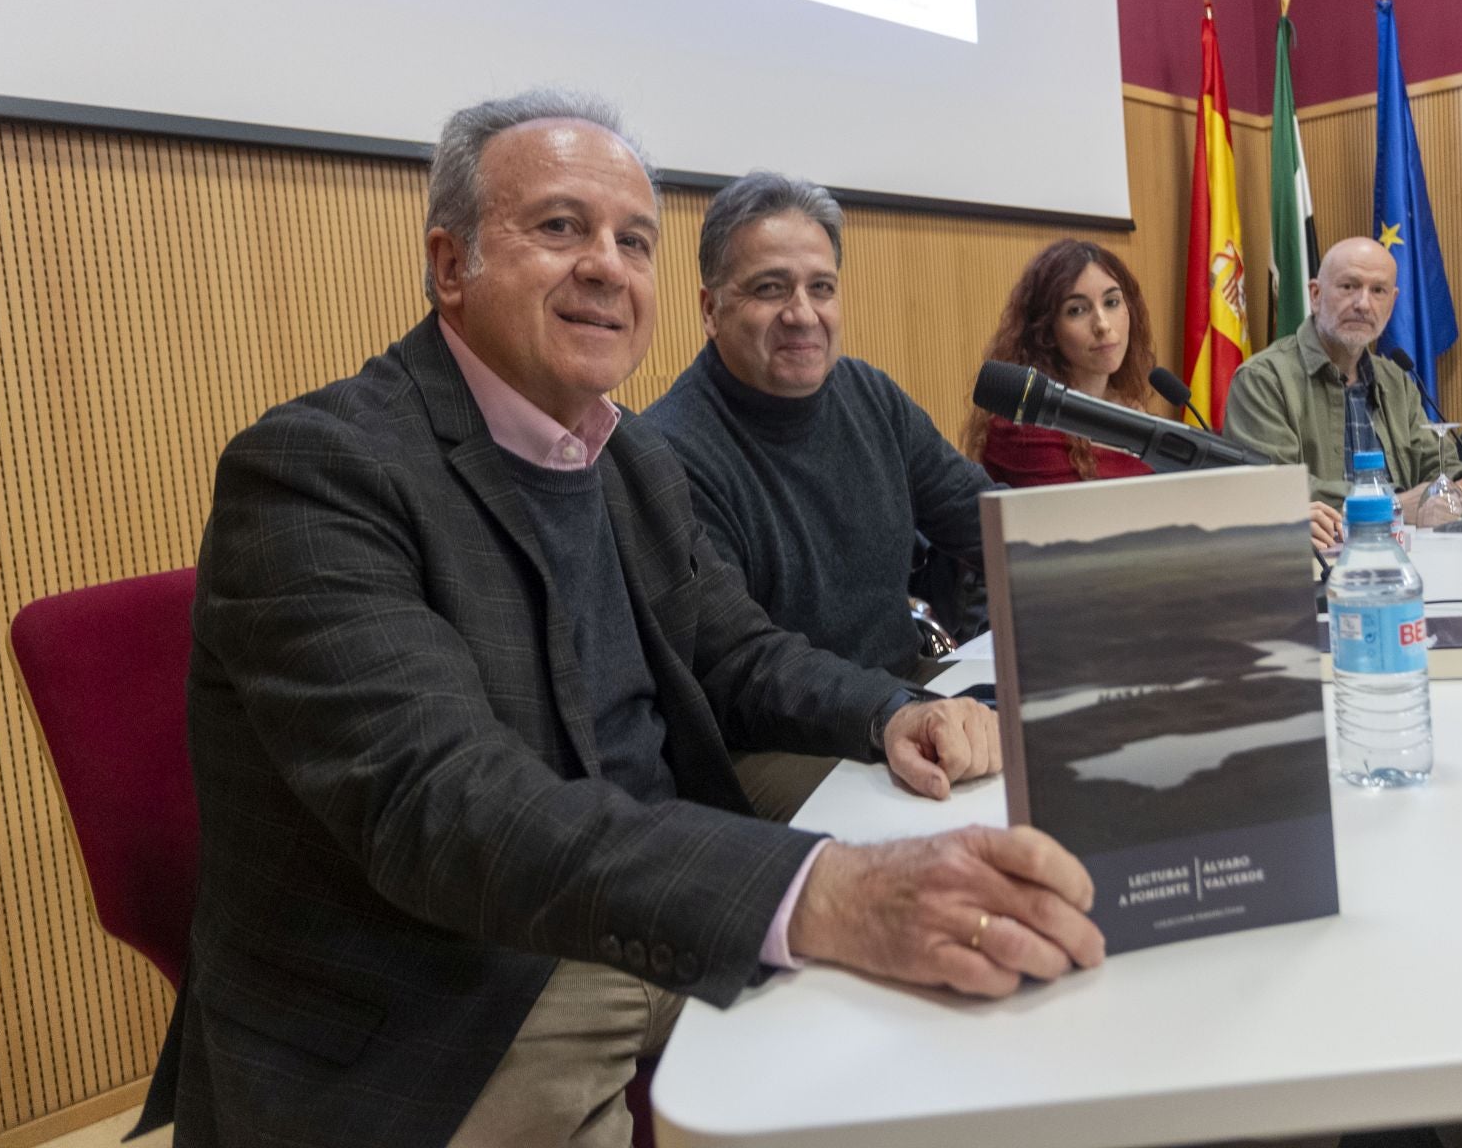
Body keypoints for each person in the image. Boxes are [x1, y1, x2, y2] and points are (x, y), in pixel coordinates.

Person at [139, 91, 1103, 1148]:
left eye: (632, 239)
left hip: (651, 897)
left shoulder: (628, 456)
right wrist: (822, 884)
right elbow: (445, 803)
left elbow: (735, 649)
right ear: (450, 262)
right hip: (454, 975)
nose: (605, 263)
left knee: (958, 1043)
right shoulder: (319, 469)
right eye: (559, 227)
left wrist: (888, 711)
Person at [646, 172, 994, 684]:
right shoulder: (672, 452)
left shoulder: (870, 396)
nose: (802, 314)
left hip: (900, 696)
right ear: (710, 310)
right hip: (783, 739)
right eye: (770, 288)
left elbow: (986, 519)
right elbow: (746, 671)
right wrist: (891, 716)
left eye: (821, 288)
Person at [1223, 236, 1462, 547]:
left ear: (1392, 303)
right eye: (1349, 287)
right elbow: (1271, 489)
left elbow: (1437, 466)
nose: (1363, 304)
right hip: (1316, 560)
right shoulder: (1263, 379)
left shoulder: (1395, 379)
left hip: (1407, 553)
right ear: (1315, 295)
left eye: (1378, 291)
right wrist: (1391, 506)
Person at [960, 238, 1158, 487]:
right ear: (1045, 330)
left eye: (1112, 302)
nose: (1102, 325)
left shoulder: (1132, 409)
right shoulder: (1024, 429)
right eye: (1077, 310)